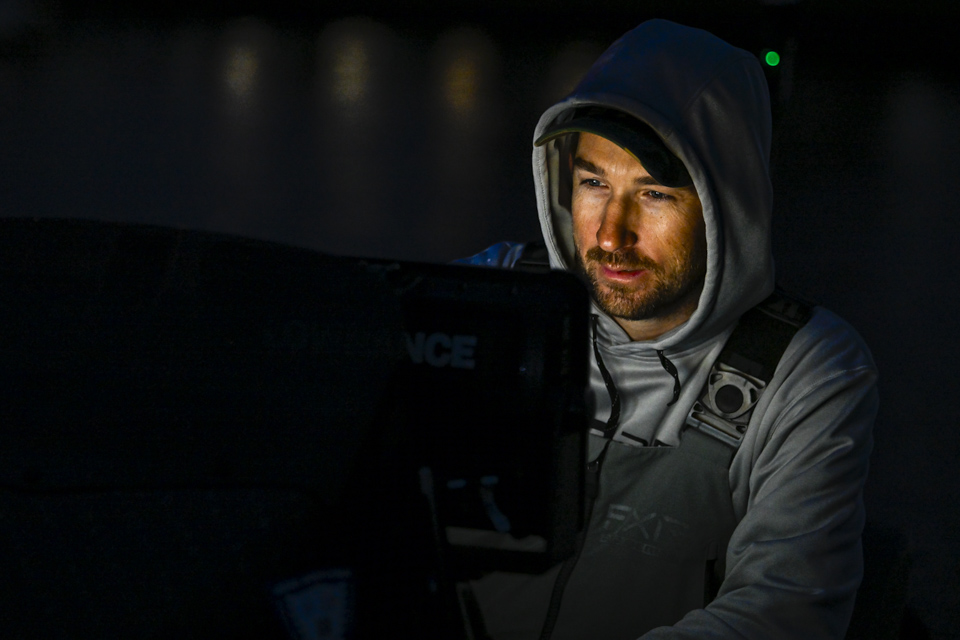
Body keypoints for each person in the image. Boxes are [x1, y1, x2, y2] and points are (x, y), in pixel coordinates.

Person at [457, 19, 878, 640]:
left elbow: (781, 615)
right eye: (593, 183)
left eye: (654, 194)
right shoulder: (489, 296)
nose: (610, 234)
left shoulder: (808, 371)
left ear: (727, 203)